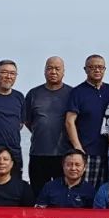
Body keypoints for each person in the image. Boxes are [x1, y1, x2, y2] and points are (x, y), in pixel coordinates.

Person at [65, 54, 109, 188]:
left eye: (100, 67)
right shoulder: (77, 92)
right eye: (92, 67)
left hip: (108, 151)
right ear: (85, 69)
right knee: (86, 191)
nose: (97, 70)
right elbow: (69, 121)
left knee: (106, 191)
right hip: (87, 151)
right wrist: (78, 147)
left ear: (104, 69)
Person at [24, 56, 72, 196]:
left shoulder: (72, 93)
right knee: (38, 194)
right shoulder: (33, 94)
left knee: (62, 195)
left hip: (64, 154)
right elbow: (27, 121)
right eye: (49, 68)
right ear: (44, 71)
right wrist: (41, 130)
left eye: (57, 68)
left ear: (63, 72)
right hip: (38, 153)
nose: (53, 72)